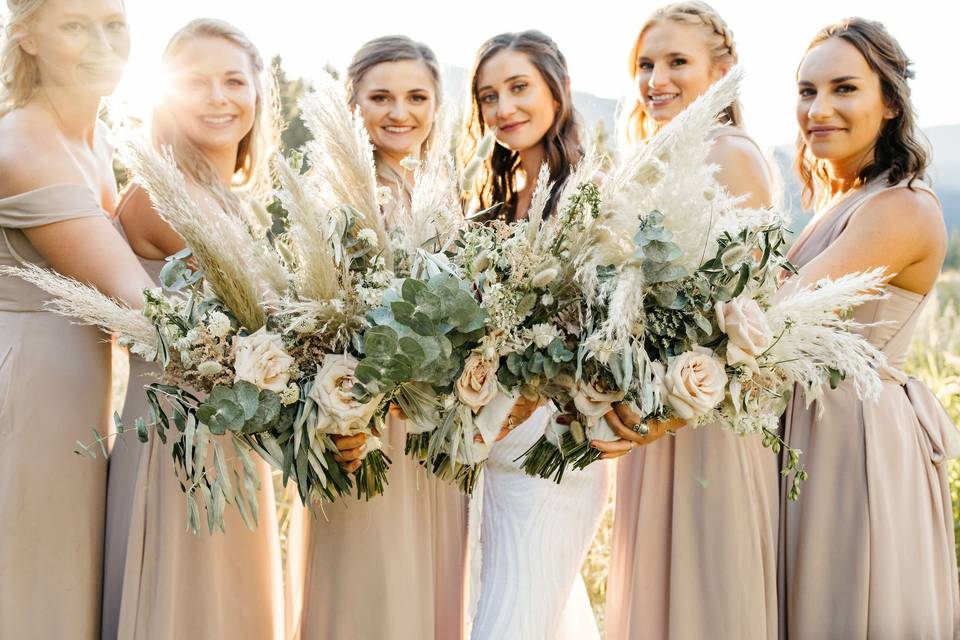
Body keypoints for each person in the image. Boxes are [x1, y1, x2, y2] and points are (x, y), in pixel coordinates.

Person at [596, 4, 780, 638]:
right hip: (650, 416)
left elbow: (755, 306)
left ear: (721, 71)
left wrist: (677, 397)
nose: (656, 79)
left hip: (706, 416)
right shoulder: (658, 157)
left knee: (706, 594)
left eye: (677, 62)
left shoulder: (731, 154)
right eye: (646, 64)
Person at [102, 18, 284, 640]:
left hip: (230, 435)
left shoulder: (229, 198)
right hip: (181, 440)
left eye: (234, 81)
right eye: (197, 82)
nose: (218, 98)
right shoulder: (161, 193)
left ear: (258, 95)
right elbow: (255, 322)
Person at [779, 17, 958, 638]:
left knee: (849, 604)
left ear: (889, 103)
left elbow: (783, 313)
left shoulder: (901, 208)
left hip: (856, 439)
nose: (819, 108)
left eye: (844, 89)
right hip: (812, 429)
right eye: (807, 91)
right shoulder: (841, 201)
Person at [291, 35, 467, 640]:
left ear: (436, 105)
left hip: (434, 423)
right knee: (373, 584)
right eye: (381, 97)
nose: (401, 112)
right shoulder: (338, 195)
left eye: (417, 96)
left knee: (429, 580)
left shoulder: (438, 190)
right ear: (353, 105)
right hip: (366, 421)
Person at [0, 1, 153, 637]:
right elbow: (138, 299)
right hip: (29, 395)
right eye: (74, 25)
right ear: (26, 37)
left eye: (113, 24)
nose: (101, 43)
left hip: (80, 393)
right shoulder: (22, 147)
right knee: (33, 587)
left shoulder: (98, 139)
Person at [459, 30, 607, 640]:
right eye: (489, 96)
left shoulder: (594, 194)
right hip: (489, 450)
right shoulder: (494, 207)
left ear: (560, 90)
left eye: (519, 88)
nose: (503, 108)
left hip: (554, 453)